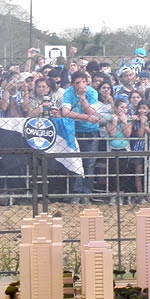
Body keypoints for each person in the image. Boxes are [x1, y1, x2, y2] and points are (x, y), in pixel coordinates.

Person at [61, 71, 101, 203]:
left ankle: (86, 194)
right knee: (76, 163)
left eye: (83, 82)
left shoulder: (92, 92)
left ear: (87, 82)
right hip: (74, 131)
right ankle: (76, 193)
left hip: (91, 132)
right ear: (73, 84)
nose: (80, 85)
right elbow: (65, 112)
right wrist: (86, 117)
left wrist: (83, 98)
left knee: (89, 164)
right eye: (77, 83)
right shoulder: (68, 92)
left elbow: (93, 112)